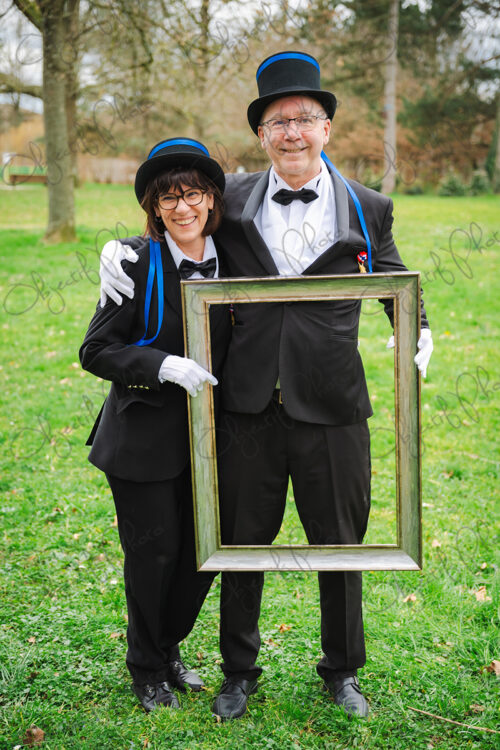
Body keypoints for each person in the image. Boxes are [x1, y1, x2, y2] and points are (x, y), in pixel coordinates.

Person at [98, 51, 434, 720]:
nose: (292, 133)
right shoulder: (232, 198)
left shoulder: (369, 207)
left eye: (304, 119)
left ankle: (342, 669)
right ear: (261, 135)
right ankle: (238, 670)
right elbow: (176, 220)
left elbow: (392, 278)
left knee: (340, 542)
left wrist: (418, 326)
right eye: (278, 122)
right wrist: (119, 248)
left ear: (327, 127)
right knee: (240, 542)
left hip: (334, 403)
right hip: (245, 403)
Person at [80, 138, 231, 712]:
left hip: (216, 440)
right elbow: (95, 350)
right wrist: (161, 365)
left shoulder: (237, 256)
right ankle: (146, 666)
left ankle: (167, 646)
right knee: (154, 554)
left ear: (211, 198)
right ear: (154, 207)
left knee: (202, 553)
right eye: (168, 198)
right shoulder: (133, 262)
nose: (182, 207)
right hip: (142, 439)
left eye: (192, 194)